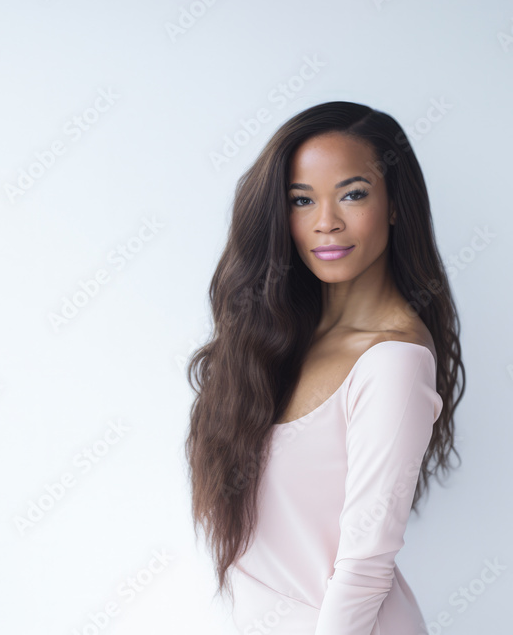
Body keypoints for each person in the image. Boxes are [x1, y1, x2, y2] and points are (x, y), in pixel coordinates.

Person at [185, 100, 465, 634]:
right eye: (301, 200)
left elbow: (363, 567)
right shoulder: (277, 343)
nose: (326, 222)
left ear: (394, 204)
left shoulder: (394, 363)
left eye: (353, 194)